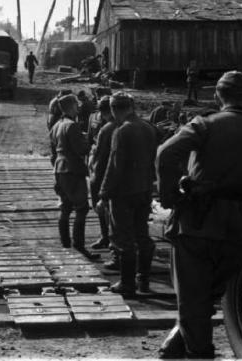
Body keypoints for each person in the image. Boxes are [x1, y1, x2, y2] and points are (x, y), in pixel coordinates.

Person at [156, 71, 242, 358]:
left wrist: (169, 196)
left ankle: (200, 354)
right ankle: (174, 347)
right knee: (207, 297)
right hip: (235, 229)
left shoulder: (206, 125)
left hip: (195, 224)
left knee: (191, 301)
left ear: (217, 97)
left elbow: (164, 153)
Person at [97, 91, 159, 297]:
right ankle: (144, 278)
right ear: (131, 107)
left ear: (114, 110)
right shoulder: (148, 128)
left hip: (123, 194)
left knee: (123, 238)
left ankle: (127, 283)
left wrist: (104, 194)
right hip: (144, 190)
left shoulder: (121, 131)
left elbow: (114, 167)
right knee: (142, 235)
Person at [49, 94, 98, 260]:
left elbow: (53, 151)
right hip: (73, 170)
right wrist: (91, 142)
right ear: (70, 107)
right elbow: (81, 150)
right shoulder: (73, 126)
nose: (78, 108)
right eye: (76, 106)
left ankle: (65, 243)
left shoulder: (56, 125)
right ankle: (79, 245)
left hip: (59, 169)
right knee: (82, 208)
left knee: (65, 208)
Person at [87, 96, 116, 251]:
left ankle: (110, 239)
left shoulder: (110, 127)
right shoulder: (100, 121)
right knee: (105, 209)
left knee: (106, 208)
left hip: (102, 170)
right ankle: (107, 237)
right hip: (100, 168)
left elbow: (97, 149)